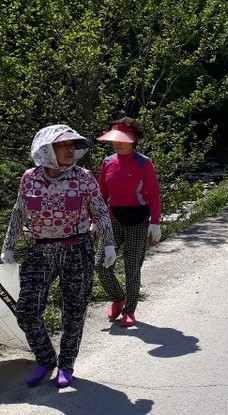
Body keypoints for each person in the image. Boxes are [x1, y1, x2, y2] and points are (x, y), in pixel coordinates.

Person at [0, 125, 116, 388]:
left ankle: (66, 364)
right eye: (63, 146)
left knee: (74, 311)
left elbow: (99, 211)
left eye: (73, 146)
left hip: (77, 249)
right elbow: (19, 212)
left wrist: (108, 244)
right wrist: (8, 246)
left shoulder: (84, 177)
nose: (70, 150)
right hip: (40, 250)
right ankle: (45, 358)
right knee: (27, 309)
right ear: (46, 150)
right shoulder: (29, 178)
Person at [93, 117, 161, 328]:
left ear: (133, 140)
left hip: (138, 220)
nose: (118, 143)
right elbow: (100, 194)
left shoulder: (144, 162)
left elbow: (154, 194)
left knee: (132, 268)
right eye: (115, 139)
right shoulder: (107, 162)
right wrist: (95, 220)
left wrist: (155, 222)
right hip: (111, 219)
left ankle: (129, 310)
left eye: (123, 139)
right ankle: (118, 297)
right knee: (101, 265)